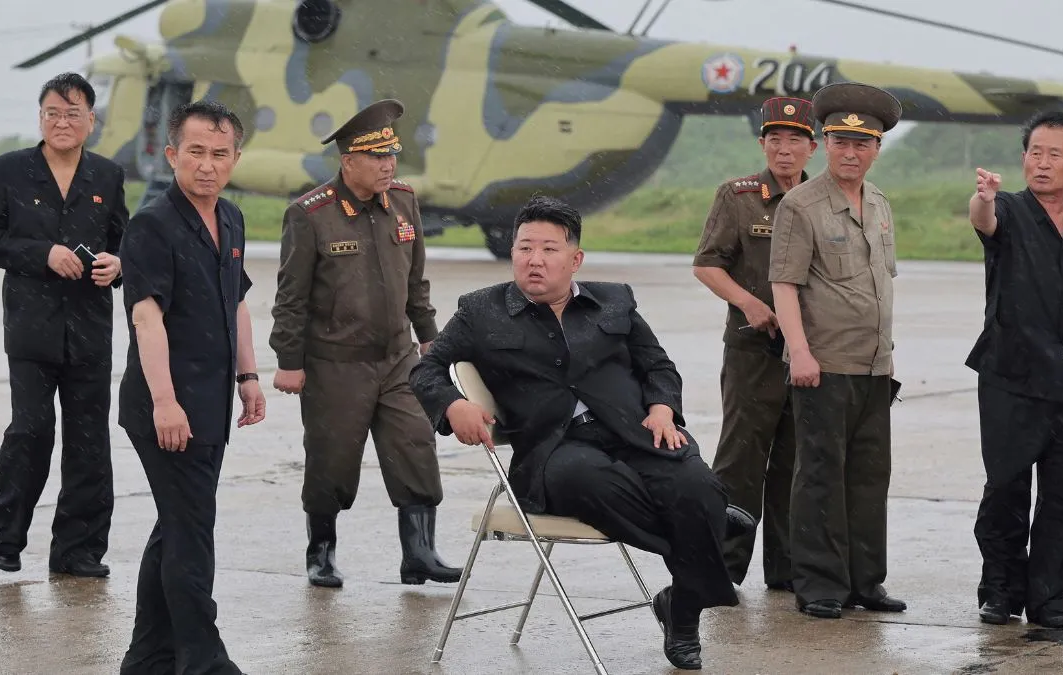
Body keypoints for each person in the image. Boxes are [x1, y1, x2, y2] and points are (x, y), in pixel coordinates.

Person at [409, 195, 756, 671]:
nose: (534, 260)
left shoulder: (613, 300)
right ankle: (711, 529)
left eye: (549, 250)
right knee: (600, 483)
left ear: (575, 259)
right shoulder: (479, 311)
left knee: (692, 485)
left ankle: (682, 602)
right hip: (555, 451)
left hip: (637, 432)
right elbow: (425, 369)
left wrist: (661, 406)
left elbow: (657, 364)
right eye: (524, 247)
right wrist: (453, 404)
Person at [268, 98, 460, 588]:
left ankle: (419, 553)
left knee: (414, 448)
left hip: (399, 359)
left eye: (391, 154)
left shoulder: (404, 201)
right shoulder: (311, 215)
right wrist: (289, 361)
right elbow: (290, 297)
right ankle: (322, 552)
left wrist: (431, 341)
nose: (387, 164)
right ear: (347, 159)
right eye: (376, 156)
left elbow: (416, 281)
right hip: (336, 363)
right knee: (332, 461)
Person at [116, 100, 265, 674]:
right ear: (172, 154)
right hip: (165, 408)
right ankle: (204, 661)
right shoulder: (152, 224)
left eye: (220, 154)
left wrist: (249, 377)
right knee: (192, 532)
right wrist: (165, 402)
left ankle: (148, 658)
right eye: (196, 152)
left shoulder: (231, 219)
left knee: (177, 524)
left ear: (235, 159)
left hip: (210, 404)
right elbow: (145, 318)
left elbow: (237, 302)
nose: (207, 165)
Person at [0, 72, 127, 577]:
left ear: (90, 121)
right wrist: (44, 254)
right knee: (32, 432)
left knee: (89, 444)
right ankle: (7, 537)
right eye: (53, 113)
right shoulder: (11, 170)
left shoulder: (108, 176)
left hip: (89, 331)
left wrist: (116, 265)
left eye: (73, 113)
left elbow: (124, 242)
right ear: (40, 118)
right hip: (32, 330)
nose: (63, 122)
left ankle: (78, 552)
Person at [767, 81, 907, 619]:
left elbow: (878, 282)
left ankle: (866, 582)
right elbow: (785, 284)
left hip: (875, 366)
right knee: (821, 475)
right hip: (822, 364)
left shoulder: (879, 204)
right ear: (826, 144)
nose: (851, 153)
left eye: (862, 144)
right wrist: (799, 352)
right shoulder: (801, 205)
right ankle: (821, 585)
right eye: (841, 143)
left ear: (876, 149)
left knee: (870, 476)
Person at [966, 111, 1063, 630]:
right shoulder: (1010, 211)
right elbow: (982, 219)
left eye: (1054, 154)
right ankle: (999, 592)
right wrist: (985, 195)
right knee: (1006, 487)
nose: (1042, 163)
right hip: (1011, 376)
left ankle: (1052, 600)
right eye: (1034, 152)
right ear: (1023, 158)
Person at [692, 96, 818, 592]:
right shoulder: (739, 196)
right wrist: (748, 302)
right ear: (762, 143)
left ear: (813, 148)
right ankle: (722, 569)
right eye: (774, 140)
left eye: (794, 141)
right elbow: (707, 264)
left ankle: (786, 570)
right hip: (753, 350)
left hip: (807, 352)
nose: (783, 150)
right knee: (740, 461)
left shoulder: (822, 199)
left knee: (794, 461)